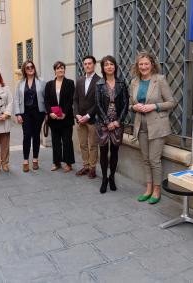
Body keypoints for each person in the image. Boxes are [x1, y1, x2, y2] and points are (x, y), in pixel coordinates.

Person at [129, 51, 175, 204]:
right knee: (146, 159)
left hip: (157, 126)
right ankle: (148, 188)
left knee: (154, 160)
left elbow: (171, 102)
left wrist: (153, 106)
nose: (143, 67)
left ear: (152, 65)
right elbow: (131, 104)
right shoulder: (134, 82)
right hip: (140, 125)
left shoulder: (160, 80)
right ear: (137, 66)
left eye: (146, 64)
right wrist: (134, 107)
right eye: (141, 64)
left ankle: (156, 190)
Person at [95, 55, 129, 193]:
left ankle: (112, 177)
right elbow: (97, 104)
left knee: (115, 151)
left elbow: (126, 104)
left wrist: (118, 121)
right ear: (103, 68)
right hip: (103, 123)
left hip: (117, 123)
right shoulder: (99, 84)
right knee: (103, 152)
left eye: (111, 64)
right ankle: (104, 179)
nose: (109, 66)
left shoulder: (121, 83)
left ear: (115, 66)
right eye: (106, 64)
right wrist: (107, 122)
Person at [14, 60, 46, 172]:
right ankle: (25, 160)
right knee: (27, 135)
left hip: (38, 112)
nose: (30, 68)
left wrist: (47, 113)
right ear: (24, 70)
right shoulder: (20, 83)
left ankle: (35, 159)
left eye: (32, 66)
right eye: (27, 67)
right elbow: (16, 98)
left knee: (36, 135)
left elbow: (46, 97)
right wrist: (18, 114)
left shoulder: (41, 81)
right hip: (25, 113)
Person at [44, 61, 75, 172]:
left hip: (66, 118)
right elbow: (46, 101)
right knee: (55, 141)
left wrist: (64, 113)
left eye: (62, 68)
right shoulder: (49, 84)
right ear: (55, 70)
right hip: (54, 118)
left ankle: (68, 163)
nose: (60, 70)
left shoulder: (70, 83)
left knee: (67, 140)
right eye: (58, 68)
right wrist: (49, 113)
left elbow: (71, 99)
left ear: (64, 70)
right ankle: (56, 162)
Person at [73, 55, 100, 178]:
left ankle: (93, 168)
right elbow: (75, 100)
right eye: (85, 64)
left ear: (94, 65)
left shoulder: (100, 81)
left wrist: (88, 115)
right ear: (83, 65)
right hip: (80, 119)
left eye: (90, 63)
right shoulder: (79, 81)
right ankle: (86, 166)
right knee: (83, 144)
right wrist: (77, 114)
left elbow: (98, 102)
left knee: (93, 144)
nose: (87, 65)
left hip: (92, 119)